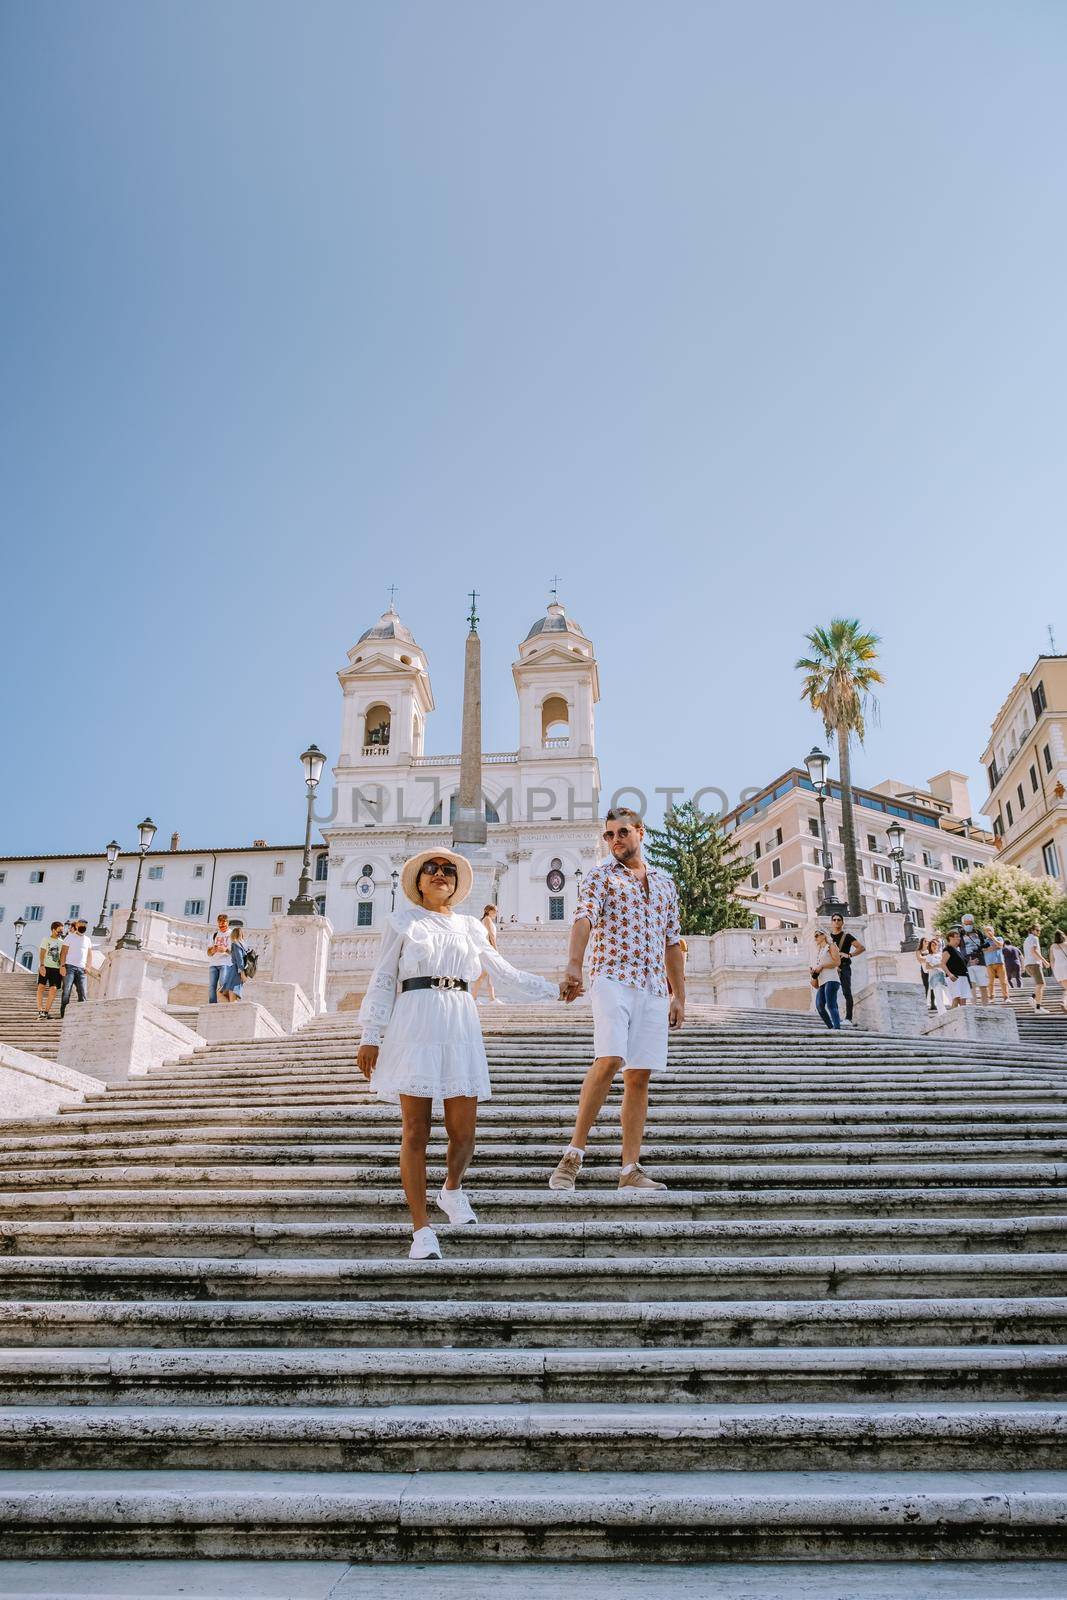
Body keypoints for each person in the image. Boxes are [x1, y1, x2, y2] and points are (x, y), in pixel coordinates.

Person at [356, 849, 558, 1260]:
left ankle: (451, 1189)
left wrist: (554, 989)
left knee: (464, 1131)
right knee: (416, 1130)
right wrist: (371, 1033)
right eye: (431, 869)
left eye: (448, 870)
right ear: (418, 881)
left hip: (460, 1020)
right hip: (415, 1017)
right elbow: (383, 978)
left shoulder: (470, 926)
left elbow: (503, 972)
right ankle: (421, 1230)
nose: (440, 875)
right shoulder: (401, 921)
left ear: (456, 884)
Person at [549, 807, 684, 1194]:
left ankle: (630, 1170)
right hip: (611, 977)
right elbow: (584, 917)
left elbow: (673, 941)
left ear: (640, 832)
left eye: (622, 832)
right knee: (609, 1059)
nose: (614, 841)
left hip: (654, 987)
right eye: (608, 835)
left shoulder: (665, 883)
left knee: (639, 1075)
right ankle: (573, 1154)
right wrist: (574, 965)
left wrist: (680, 996)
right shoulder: (599, 877)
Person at [829, 913, 864, 1027]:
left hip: (844, 967)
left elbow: (861, 948)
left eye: (839, 919)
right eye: (834, 920)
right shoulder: (828, 938)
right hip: (832, 968)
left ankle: (848, 1018)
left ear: (842, 922)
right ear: (831, 922)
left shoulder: (847, 936)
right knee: (831, 992)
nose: (836, 921)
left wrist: (849, 955)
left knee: (846, 992)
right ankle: (835, 1017)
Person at [59, 920, 93, 1018]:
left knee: (83, 993)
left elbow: (90, 954)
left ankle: (81, 1015)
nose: (83, 927)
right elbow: (64, 952)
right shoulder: (70, 937)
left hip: (82, 970)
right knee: (66, 991)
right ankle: (64, 1014)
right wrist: (62, 966)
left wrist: (89, 966)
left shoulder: (88, 940)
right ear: (77, 926)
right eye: (81, 925)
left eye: (85, 925)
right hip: (69, 967)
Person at [811, 927, 843, 1029]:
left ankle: (837, 1028)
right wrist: (814, 973)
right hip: (822, 982)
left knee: (831, 1005)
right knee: (819, 1006)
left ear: (823, 935)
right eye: (814, 936)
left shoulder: (831, 946)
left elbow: (837, 962)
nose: (815, 938)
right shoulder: (819, 952)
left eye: (817, 935)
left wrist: (822, 966)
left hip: (831, 979)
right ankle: (831, 1027)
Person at [471, 904, 502, 1005]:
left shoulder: (486, 919)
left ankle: (491, 998)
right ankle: (473, 998)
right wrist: (495, 949)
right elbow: (491, 935)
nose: (496, 913)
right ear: (489, 911)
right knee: (483, 974)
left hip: (488, 949)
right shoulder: (487, 919)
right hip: (489, 950)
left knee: (489, 974)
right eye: (495, 911)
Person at [959, 914, 990, 1004]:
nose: (968, 925)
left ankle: (985, 1007)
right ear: (963, 923)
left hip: (980, 961)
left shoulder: (978, 932)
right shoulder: (960, 933)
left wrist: (982, 947)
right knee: (972, 986)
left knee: (983, 986)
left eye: (970, 923)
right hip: (968, 963)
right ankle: (974, 1006)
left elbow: (985, 945)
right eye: (966, 924)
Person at [36, 921, 65, 1019]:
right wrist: (42, 965)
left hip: (56, 969)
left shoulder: (62, 942)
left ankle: (46, 1011)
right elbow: (42, 953)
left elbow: (62, 956)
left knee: (53, 989)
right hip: (46, 966)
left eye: (62, 931)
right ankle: (40, 1010)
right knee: (41, 987)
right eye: (59, 930)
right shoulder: (46, 939)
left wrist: (62, 967)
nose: (61, 933)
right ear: (53, 929)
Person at [1022, 924, 1050, 1014]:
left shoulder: (1026, 939)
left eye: (1039, 930)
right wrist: (1044, 961)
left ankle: (1033, 998)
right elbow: (1033, 951)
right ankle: (1037, 1007)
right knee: (1041, 984)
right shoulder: (1034, 938)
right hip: (1034, 963)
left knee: (1040, 984)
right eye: (1037, 930)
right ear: (1032, 930)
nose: (1039, 932)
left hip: (1028, 964)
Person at [942, 930, 972, 1009]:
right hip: (954, 977)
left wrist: (971, 962)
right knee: (956, 999)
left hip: (963, 977)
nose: (959, 939)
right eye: (956, 937)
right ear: (950, 938)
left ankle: (963, 1019)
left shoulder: (957, 950)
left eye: (959, 937)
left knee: (963, 1001)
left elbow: (962, 963)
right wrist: (950, 974)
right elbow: (942, 964)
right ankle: (950, 1019)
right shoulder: (948, 949)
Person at [207, 913, 232, 1004]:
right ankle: (212, 1005)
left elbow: (235, 951)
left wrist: (225, 950)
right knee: (211, 987)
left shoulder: (231, 934)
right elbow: (208, 953)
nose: (221, 926)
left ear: (227, 923)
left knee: (223, 984)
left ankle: (229, 1002)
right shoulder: (214, 935)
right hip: (213, 964)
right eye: (220, 924)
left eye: (223, 924)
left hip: (225, 963)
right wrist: (213, 950)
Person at [982, 925, 1009, 1003]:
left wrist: (993, 938)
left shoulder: (999, 938)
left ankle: (1006, 997)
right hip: (989, 963)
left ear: (993, 931)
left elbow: (1000, 945)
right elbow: (983, 950)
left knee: (1003, 980)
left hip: (999, 962)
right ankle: (991, 997)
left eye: (990, 930)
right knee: (990, 982)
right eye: (987, 931)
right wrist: (990, 948)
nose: (988, 932)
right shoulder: (984, 941)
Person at [220, 928, 247, 1001]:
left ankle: (234, 1009)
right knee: (225, 993)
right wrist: (227, 951)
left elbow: (239, 959)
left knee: (231, 994)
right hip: (236, 971)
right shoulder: (243, 945)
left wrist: (242, 973)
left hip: (235, 971)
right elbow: (237, 955)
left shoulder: (235, 944)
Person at [924, 936, 948, 1013]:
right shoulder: (929, 956)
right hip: (934, 977)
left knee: (947, 992)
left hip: (942, 976)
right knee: (938, 994)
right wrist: (935, 966)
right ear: (930, 947)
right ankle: (942, 1012)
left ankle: (953, 1007)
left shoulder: (941, 955)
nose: (935, 947)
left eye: (936, 945)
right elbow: (927, 967)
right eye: (933, 945)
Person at [1050, 929, 1067, 1013]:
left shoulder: (1052, 946)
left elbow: (1052, 960)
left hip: (1058, 968)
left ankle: (1064, 1003)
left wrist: (1054, 971)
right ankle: (1063, 1002)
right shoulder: (1066, 944)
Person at [916, 937, 932, 1009]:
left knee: (932, 986)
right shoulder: (919, 951)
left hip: (932, 969)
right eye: (925, 941)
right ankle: (925, 1003)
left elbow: (934, 957)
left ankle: (933, 1004)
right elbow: (920, 959)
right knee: (926, 986)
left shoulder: (930, 950)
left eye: (928, 941)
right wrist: (929, 958)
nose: (927, 942)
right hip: (924, 970)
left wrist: (925, 958)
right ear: (922, 942)